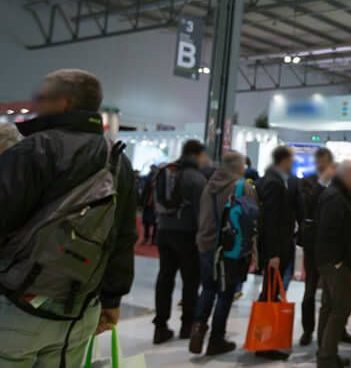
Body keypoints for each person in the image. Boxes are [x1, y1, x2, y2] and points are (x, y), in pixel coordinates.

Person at [0, 69, 137, 366]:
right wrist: (112, 300)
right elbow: (124, 237)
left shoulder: (34, 149)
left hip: (16, 307)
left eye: (42, 98)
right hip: (80, 310)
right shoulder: (117, 160)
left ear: (63, 102)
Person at [190, 151, 258, 356]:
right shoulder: (242, 187)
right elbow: (251, 220)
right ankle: (216, 340)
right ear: (238, 167)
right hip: (230, 248)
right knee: (226, 293)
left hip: (206, 244)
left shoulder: (209, 185)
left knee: (208, 289)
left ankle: (197, 329)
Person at [153, 139, 208, 344]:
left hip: (164, 231)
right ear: (196, 155)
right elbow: (201, 213)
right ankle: (187, 326)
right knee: (190, 281)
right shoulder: (197, 179)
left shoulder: (167, 172)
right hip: (187, 235)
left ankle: (160, 327)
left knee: (165, 278)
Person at [255, 145, 304, 360]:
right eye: (291, 159)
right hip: (275, 249)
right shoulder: (273, 183)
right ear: (283, 160)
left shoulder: (274, 180)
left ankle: (263, 340)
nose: (293, 162)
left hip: (277, 247)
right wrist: (273, 253)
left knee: (270, 293)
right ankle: (264, 344)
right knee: (269, 294)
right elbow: (271, 221)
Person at [316, 161, 351, 368]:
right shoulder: (336, 198)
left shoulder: (337, 195)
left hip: (330, 260)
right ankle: (327, 357)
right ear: (347, 176)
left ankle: (325, 352)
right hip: (335, 263)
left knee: (329, 307)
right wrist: (339, 260)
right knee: (341, 308)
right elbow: (329, 231)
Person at [299, 147, 337, 346]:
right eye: (319, 160)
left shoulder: (338, 183)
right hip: (313, 245)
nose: (322, 164)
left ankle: (335, 330)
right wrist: (322, 182)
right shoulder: (308, 182)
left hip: (333, 245)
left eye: (325, 161)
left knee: (334, 291)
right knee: (310, 289)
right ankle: (307, 330)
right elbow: (308, 205)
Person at [139, 164, 158, 244]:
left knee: (155, 222)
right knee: (146, 221)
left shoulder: (159, 178)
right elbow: (144, 191)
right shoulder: (147, 178)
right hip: (148, 203)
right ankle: (146, 237)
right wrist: (141, 202)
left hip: (155, 204)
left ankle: (153, 239)